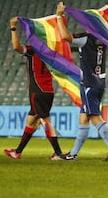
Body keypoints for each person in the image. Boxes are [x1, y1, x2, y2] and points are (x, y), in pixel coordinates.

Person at [56, 2, 108, 161]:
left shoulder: (86, 39)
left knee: (94, 117)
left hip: (89, 84)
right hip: (99, 83)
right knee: (84, 118)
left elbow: (65, 36)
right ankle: (73, 154)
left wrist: (59, 16)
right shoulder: (104, 39)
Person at [4, 17, 64, 160]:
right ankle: (17, 152)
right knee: (31, 121)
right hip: (48, 91)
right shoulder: (51, 53)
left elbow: (16, 47)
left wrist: (13, 28)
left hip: (38, 91)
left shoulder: (33, 51)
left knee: (45, 121)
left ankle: (58, 153)